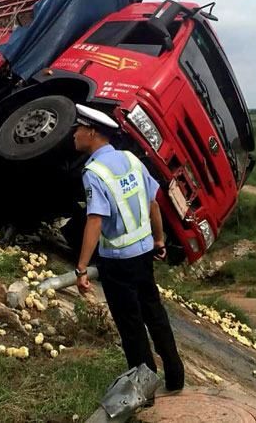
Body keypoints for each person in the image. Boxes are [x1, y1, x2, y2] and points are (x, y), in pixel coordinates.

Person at [72, 103, 184, 395]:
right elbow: (153, 204)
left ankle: (143, 392)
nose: (74, 134)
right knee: (154, 314)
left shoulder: (93, 172)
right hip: (144, 254)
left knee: (131, 326)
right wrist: (159, 240)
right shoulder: (132, 159)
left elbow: (95, 220)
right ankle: (175, 378)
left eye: (78, 129)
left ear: (92, 132)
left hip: (118, 263)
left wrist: (81, 267)